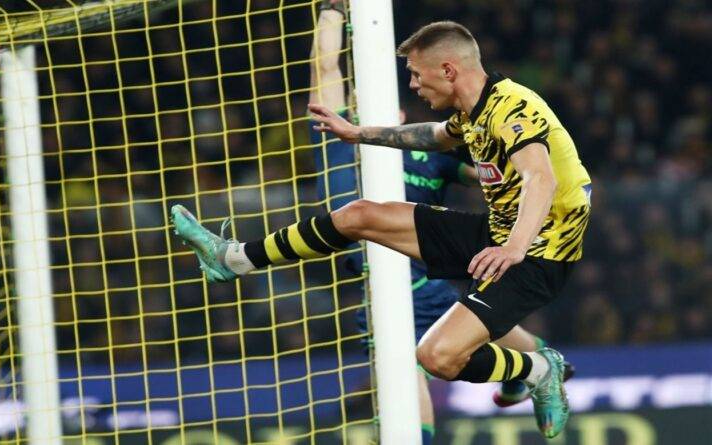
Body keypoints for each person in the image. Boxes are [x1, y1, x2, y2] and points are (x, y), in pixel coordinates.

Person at [171, 20, 591, 439]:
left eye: (416, 73)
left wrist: (515, 247)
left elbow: (541, 178)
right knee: (359, 216)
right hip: (498, 234)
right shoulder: (472, 112)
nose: (412, 84)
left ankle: (538, 368)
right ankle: (234, 259)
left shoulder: (513, 107)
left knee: (437, 357)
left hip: (537, 255)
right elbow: (435, 136)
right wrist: (359, 134)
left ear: (447, 70)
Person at [304, 2, 572, 443]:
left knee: (414, 361)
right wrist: (333, 10)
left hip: (421, 273)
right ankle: (538, 365)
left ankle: (538, 366)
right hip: (378, 281)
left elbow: (498, 176)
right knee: (410, 368)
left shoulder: (433, 156)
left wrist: (529, 210)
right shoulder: (339, 148)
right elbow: (324, 66)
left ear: (402, 118)